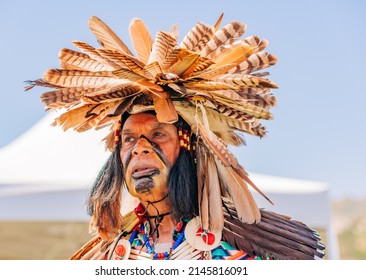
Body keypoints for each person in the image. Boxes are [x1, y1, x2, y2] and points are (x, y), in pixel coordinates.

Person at [26, 14, 325, 260]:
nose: (140, 149)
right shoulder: (109, 256)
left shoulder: (241, 249)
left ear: (187, 147)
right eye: (128, 139)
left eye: (157, 134)